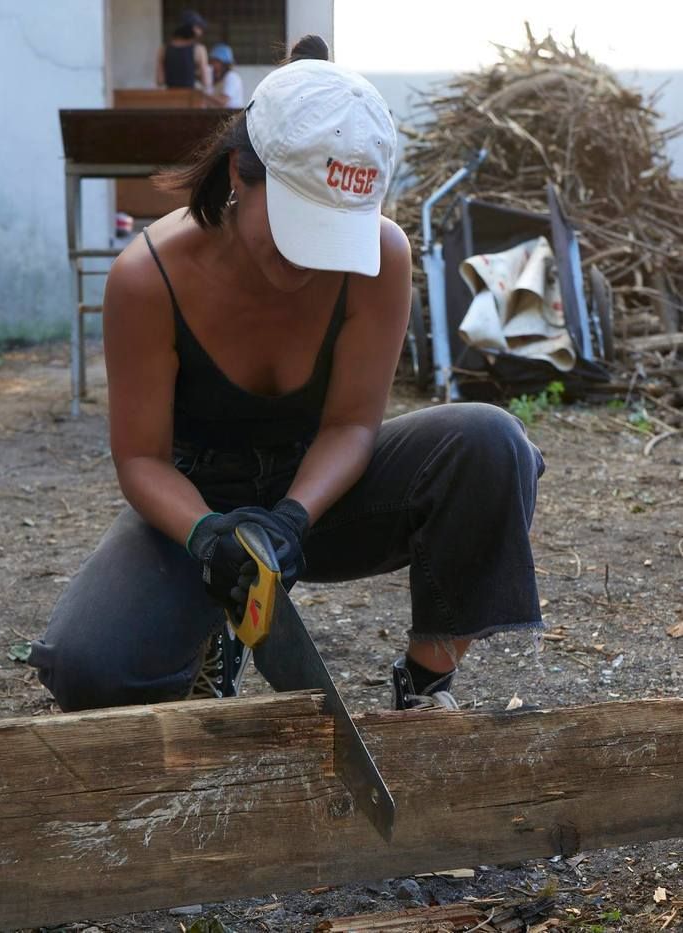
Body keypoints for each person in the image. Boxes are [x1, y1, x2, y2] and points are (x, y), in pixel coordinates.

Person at [29, 36, 545, 714]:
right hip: (197, 509)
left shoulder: (380, 260)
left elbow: (353, 423)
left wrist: (293, 520)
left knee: (490, 444)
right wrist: (210, 536)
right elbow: (141, 460)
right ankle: (214, 634)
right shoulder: (146, 277)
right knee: (89, 670)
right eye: (301, 228)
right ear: (241, 175)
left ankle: (422, 689)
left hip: (322, 497)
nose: (311, 263)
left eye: (337, 234)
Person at [156, 9, 212, 91]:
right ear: (193, 29)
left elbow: (160, 81)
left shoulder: (163, 49)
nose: (201, 31)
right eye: (199, 27)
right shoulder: (199, 49)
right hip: (189, 98)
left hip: (169, 97)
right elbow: (206, 82)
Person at [209, 43, 244, 108]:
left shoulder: (231, 77)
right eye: (212, 61)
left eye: (216, 61)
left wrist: (204, 94)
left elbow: (223, 101)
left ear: (224, 63)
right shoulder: (217, 78)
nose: (212, 64)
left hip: (232, 115)